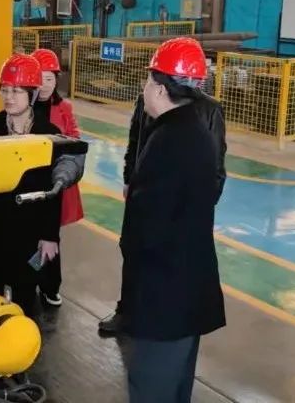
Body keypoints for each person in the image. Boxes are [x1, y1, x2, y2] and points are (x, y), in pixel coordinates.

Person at [100, 37, 227, 336]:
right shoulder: (148, 105)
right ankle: (128, 310)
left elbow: (216, 164)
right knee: (132, 252)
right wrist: (130, 179)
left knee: (164, 264)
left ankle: (150, 318)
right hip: (146, 189)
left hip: (179, 209)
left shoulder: (207, 112)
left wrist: (201, 205)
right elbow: (136, 142)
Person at [122, 38, 225, 402]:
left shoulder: (170, 140)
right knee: (176, 385)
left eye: (148, 81)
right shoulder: (192, 130)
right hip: (184, 290)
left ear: (161, 89)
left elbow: (150, 226)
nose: (144, 88)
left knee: (152, 386)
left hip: (164, 294)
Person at [0, 54, 62, 318]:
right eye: (5, 90)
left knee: (24, 295)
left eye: (17, 91)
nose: (8, 97)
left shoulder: (48, 133)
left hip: (28, 229)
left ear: (32, 94)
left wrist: (50, 235)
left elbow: (55, 189)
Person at [30, 48, 84, 308]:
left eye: (50, 79)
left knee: (50, 235)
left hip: (53, 182)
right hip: (28, 181)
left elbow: (74, 138)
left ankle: (50, 285)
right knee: (28, 234)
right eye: (40, 79)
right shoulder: (23, 106)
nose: (45, 85)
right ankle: (27, 280)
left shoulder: (64, 108)